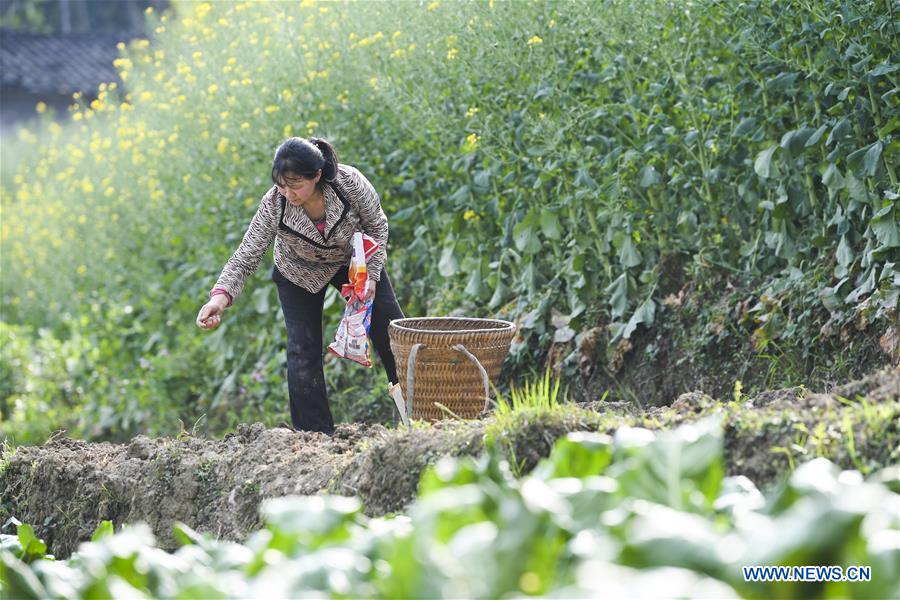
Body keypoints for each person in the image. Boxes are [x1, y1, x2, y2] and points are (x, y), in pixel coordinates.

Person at [195, 137, 405, 434]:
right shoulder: (274, 204)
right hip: (298, 272)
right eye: (281, 185)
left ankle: (418, 410)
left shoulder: (350, 183)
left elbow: (377, 226)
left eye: (295, 185)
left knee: (392, 330)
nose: (288, 193)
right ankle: (315, 435)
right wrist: (219, 298)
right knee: (302, 347)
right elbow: (247, 255)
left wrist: (371, 275)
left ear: (316, 175)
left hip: (353, 263)